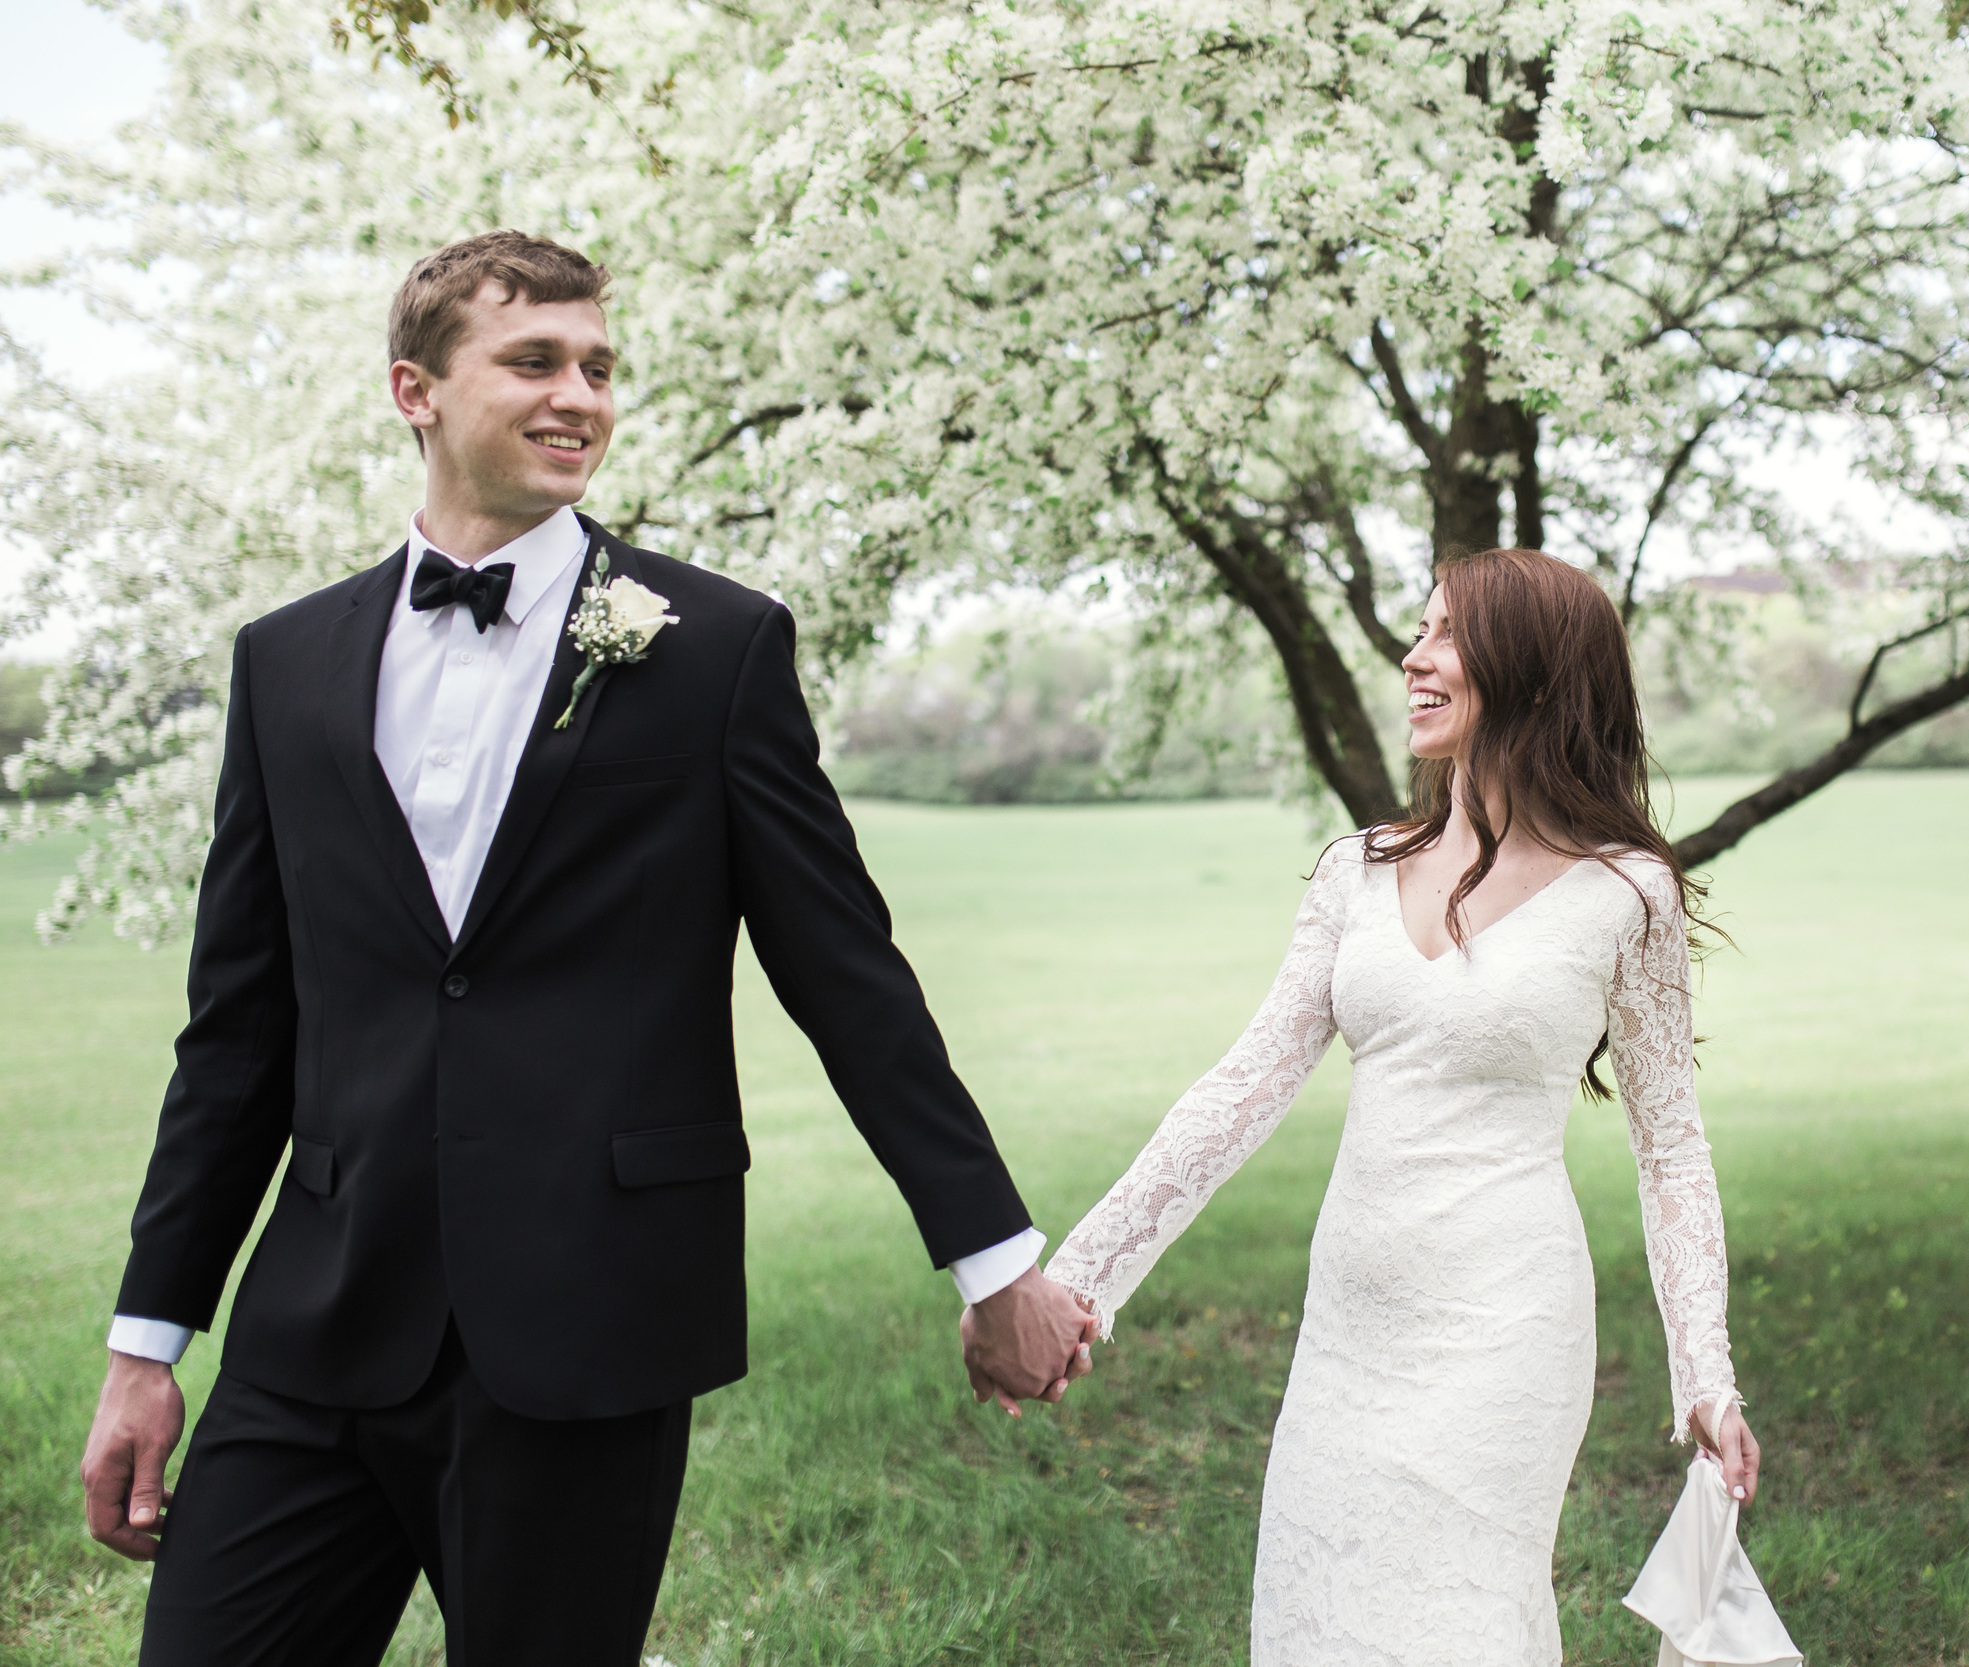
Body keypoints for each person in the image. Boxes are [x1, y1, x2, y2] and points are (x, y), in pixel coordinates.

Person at [75, 230, 1095, 1665]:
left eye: (600, 367)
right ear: (413, 389)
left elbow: (844, 970)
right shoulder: (285, 660)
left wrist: (995, 1259)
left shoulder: (715, 647)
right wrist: (148, 1340)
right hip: (319, 1320)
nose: (581, 397)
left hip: (590, 1318)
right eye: (536, 361)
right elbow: (239, 1030)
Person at [1045, 547, 1763, 1666]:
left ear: (1526, 668)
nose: (1411, 658)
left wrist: (1703, 1378)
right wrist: (1077, 1278)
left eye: (1442, 636)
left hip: (1504, 1333)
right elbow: (1239, 1089)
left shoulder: (1628, 892)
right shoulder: (1354, 869)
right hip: (1347, 1332)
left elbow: (1670, 1149)